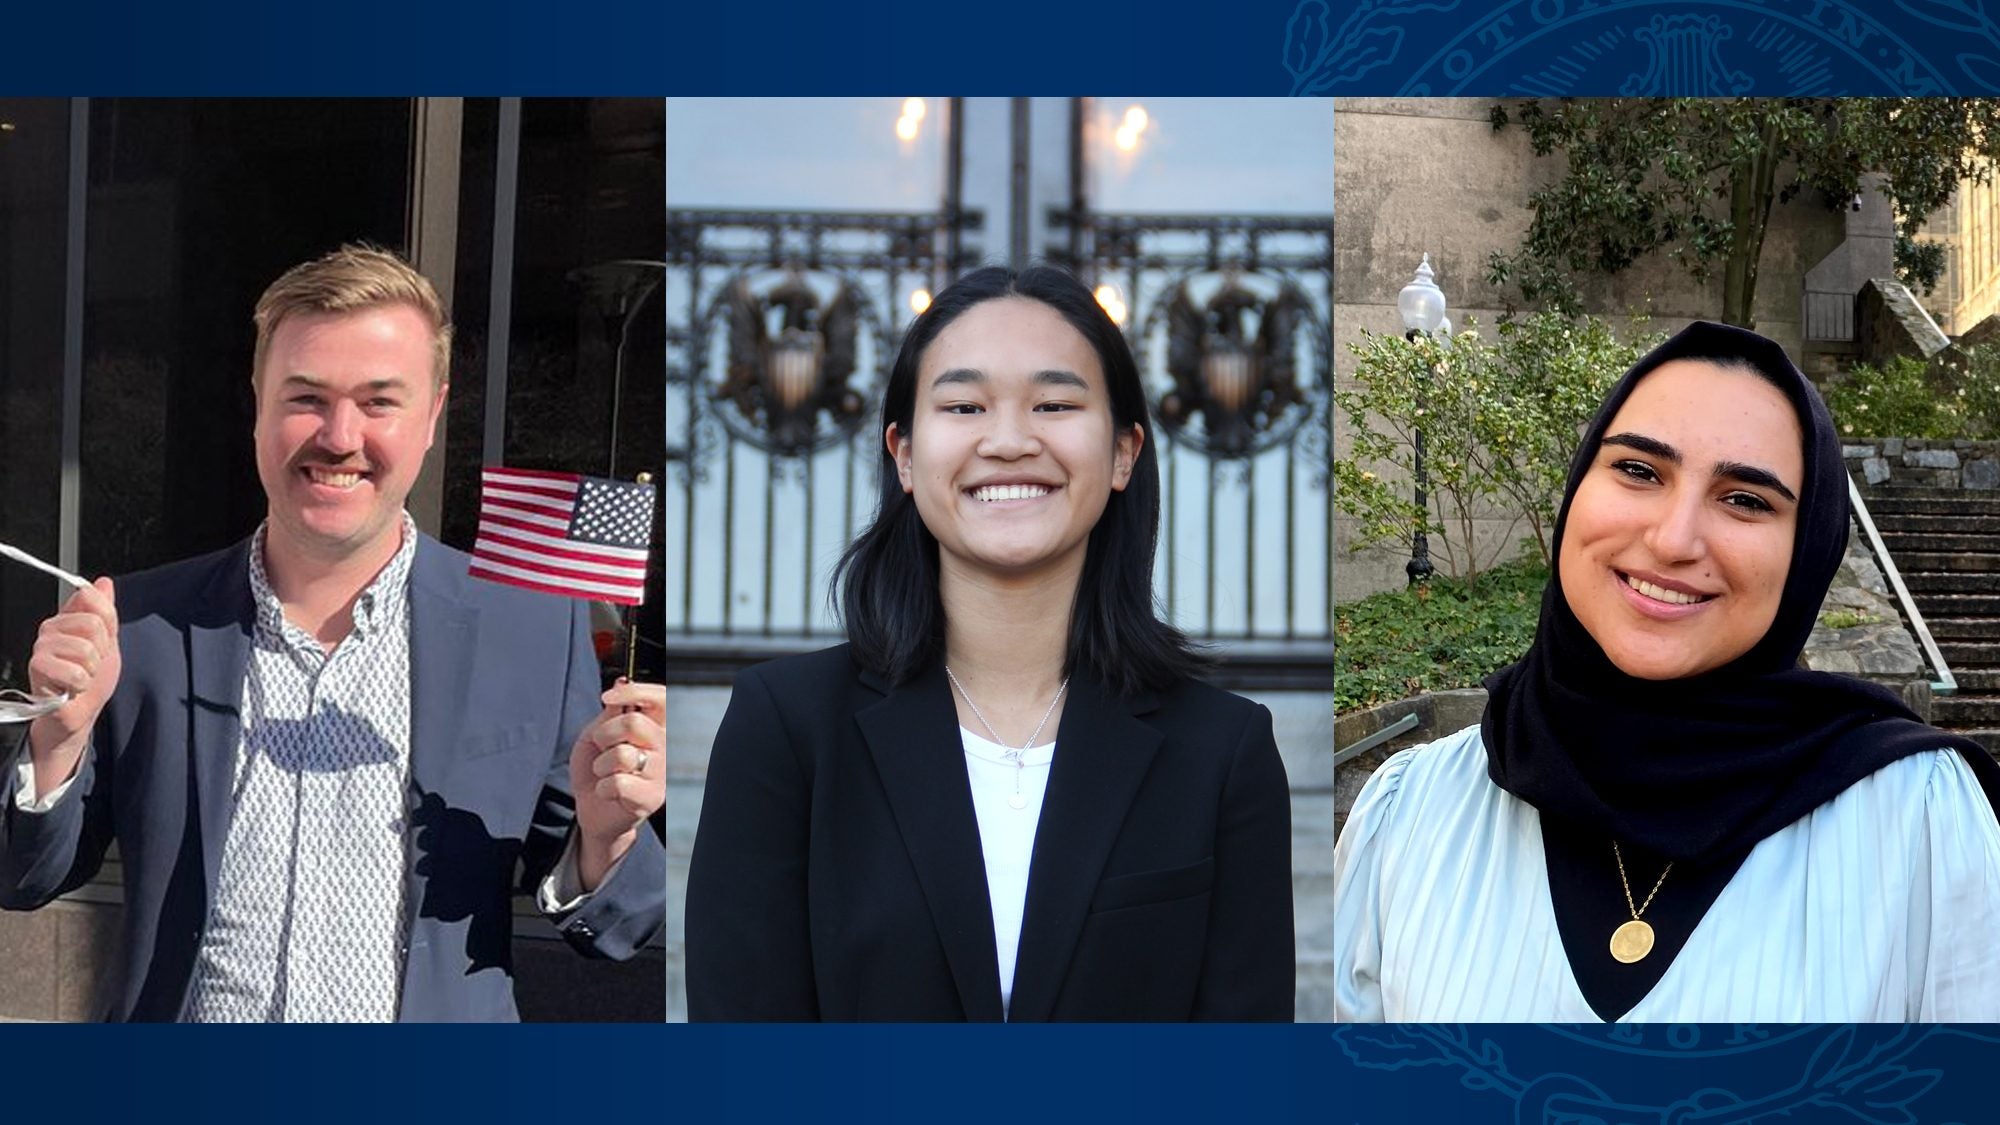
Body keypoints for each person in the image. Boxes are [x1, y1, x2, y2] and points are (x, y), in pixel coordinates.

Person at [0, 245, 667, 1022]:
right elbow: (23, 875)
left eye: (379, 401)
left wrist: (608, 836)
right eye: (306, 397)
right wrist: (57, 744)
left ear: (431, 415)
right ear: (258, 403)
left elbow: (616, 928)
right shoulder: (142, 625)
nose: (340, 435)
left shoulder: (530, 630)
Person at [1334, 321, 2000, 1022]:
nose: (1673, 538)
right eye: (1638, 470)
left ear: (1808, 549)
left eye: (1745, 499)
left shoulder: (1919, 821)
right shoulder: (1411, 814)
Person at [684, 265, 1294, 1021]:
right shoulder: (787, 728)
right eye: (965, 405)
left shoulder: (1222, 751)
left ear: (1123, 453)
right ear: (905, 454)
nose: (1008, 441)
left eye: (1055, 403)